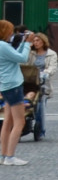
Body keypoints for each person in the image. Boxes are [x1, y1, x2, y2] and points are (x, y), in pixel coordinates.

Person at [0, 21, 32, 165]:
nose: (12, 34)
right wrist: (28, 44)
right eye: (10, 31)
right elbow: (22, 58)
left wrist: (23, 43)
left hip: (5, 85)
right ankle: (10, 157)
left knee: (8, 121)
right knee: (20, 121)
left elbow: (14, 56)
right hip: (13, 85)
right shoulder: (3, 46)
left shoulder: (3, 47)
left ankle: (3, 155)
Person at [27, 33, 56, 142]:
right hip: (30, 80)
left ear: (43, 41)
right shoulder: (31, 53)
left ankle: (41, 129)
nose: (35, 43)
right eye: (34, 41)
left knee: (40, 106)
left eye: (38, 40)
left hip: (42, 82)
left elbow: (52, 68)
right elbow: (23, 63)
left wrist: (45, 73)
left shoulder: (51, 54)